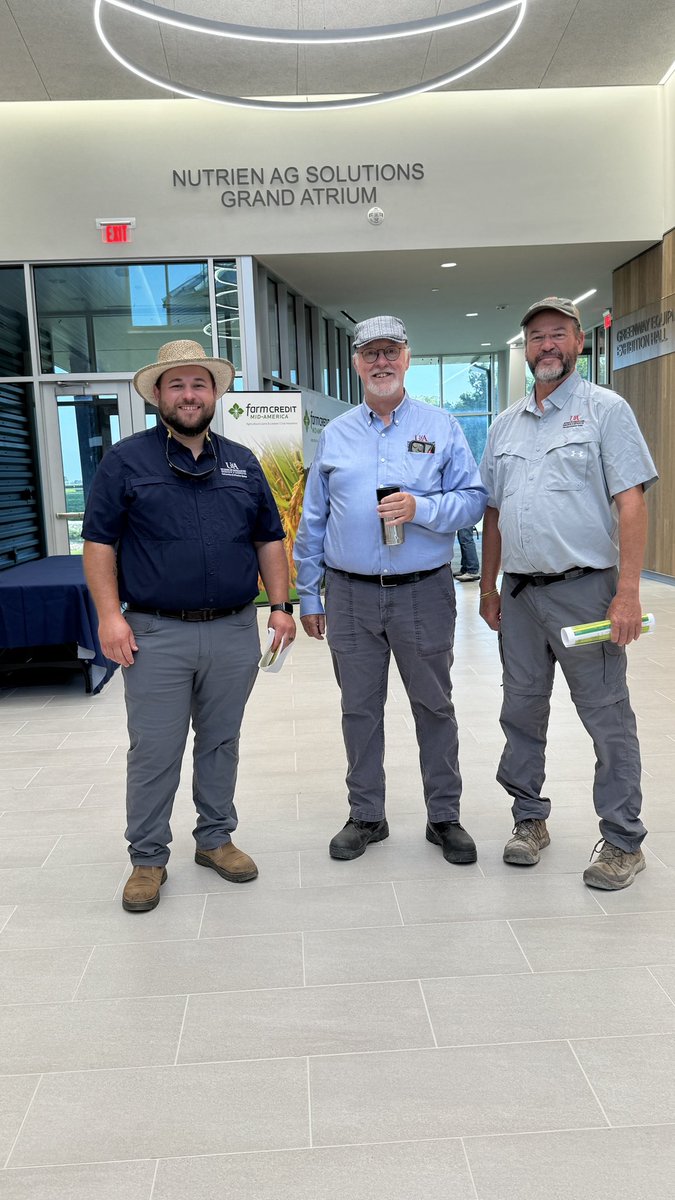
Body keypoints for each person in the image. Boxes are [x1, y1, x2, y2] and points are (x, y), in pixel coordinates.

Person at [82, 340, 296, 912]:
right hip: (155, 633)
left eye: (198, 384)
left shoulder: (242, 463)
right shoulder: (125, 462)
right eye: (176, 385)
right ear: (158, 395)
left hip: (232, 630)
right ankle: (148, 858)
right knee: (155, 749)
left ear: (214, 393)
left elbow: (268, 539)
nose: (188, 394)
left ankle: (216, 839)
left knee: (222, 740)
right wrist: (108, 615)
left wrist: (281, 605)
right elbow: (99, 544)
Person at [294, 315, 487, 864]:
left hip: (423, 591)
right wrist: (309, 594)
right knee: (359, 708)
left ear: (407, 358)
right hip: (349, 596)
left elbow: (474, 500)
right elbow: (313, 521)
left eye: (390, 351)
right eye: (369, 353)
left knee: (434, 705)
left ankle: (444, 816)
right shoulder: (335, 433)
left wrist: (422, 508)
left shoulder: (441, 427)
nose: (381, 361)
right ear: (357, 363)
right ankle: (367, 815)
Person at [479, 297, 658, 890]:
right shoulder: (504, 425)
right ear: (524, 349)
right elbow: (495, 514)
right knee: (520, 712)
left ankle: (623, 839)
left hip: (587, 593)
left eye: (558, 334)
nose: (546, 345)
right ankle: (529, 819)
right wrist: (487, 586)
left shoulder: (605, 410)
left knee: (606, 716)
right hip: (522, 599)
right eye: (535, 337)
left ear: (579, 343)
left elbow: (630, 502)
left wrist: (627, 592)